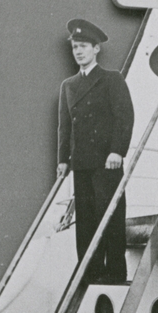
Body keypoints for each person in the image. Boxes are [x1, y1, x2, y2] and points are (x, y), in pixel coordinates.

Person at [57, 18, 135, 285]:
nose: (78, 51)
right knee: (86, 221)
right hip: (81, 163)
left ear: (96, 49)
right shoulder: (68, 85)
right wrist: (62, 160)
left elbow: (124, 117)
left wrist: (117, 151)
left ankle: (115, 272)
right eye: (75, 47)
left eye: (83, 46)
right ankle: (89, 273)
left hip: (106, 162)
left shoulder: (112, 79)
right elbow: (65, 126)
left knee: (110, 217)